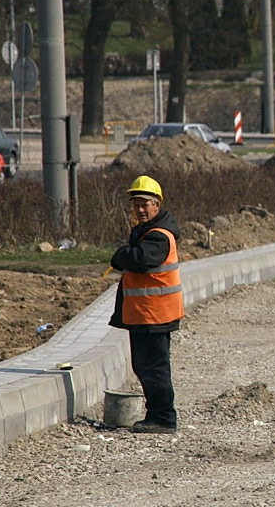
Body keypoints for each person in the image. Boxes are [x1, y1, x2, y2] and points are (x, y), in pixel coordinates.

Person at [108, 175, 184, 434]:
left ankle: (163, 418)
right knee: (147, 366)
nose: (140, 209)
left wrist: (120, 255)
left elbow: (139, 260)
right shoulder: (150, 232)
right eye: (136, 204)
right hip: (148, 313)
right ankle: (157, 415)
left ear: (157, 205)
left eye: (145, 204)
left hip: (154, 314)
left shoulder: (159, 237)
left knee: (153, 367)